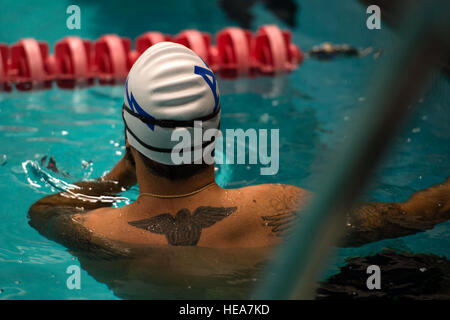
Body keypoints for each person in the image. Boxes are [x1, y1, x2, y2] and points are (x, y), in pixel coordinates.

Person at [28, 42, 450, 254]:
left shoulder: (94, 232)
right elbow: (414, 216)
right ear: (213, 134)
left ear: (128, 134)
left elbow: (42, 212)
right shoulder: (281, 208)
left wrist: (123, 171)